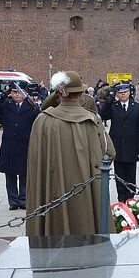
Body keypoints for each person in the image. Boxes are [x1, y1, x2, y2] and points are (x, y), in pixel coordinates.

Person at [26, 71, 115, 236]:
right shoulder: (92, 121)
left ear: (58, 93)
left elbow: (35, 160)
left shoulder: (42, 121)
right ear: (81, 93)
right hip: (85, 191)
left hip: (51, 190)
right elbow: (109, 153)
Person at [0, 82, 40, 210]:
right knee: (10, 174)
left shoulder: (30, 106)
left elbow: (38, 118)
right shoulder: (6, 104)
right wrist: (3, 96)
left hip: (25, 144)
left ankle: (23, 199)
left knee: (24, 174)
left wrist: (36, 107)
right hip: (9, 144)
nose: (17, 95)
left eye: (19, 92)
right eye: (14, 92)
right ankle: (13, 200)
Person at [99, 82, 139, 202]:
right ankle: (121, 200)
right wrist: (109, 101)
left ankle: (130, 200)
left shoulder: (137, 107)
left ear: (130, 92)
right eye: (120, 92)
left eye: (125, 92)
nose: (123, 94)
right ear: (117, 94)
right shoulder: (114, 106)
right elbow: (103, 115)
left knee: (131, 176)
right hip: (117, 147)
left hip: (132, 146)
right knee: (119, 176)